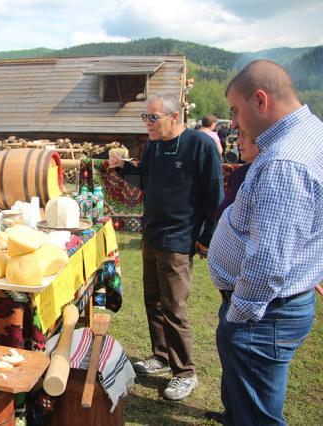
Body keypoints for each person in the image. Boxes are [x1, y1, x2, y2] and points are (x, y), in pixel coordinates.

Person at [208, 60, 323, 425]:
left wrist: (238, 317)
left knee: (256, 417)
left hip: (262, 314)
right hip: (274, 309)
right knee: (247, 406)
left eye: (236, 112)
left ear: (260, 101)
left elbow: (269, 261)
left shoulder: (284, 161)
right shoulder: (308, 135)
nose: (236, 124)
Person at [108, 93, 223, 401]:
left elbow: (215, 196)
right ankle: (161, 356)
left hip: (179, 239)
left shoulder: (201, 145)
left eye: (152, 117)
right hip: (152, 234)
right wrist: (122, 169)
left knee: (174, 307)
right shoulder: (155, 146)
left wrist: (205, 237)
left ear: (174, 117)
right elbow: (145, 178)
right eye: (144, 117)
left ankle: (185, 372)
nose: (147, 123)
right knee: (153, 300)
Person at [214, 130, 259, 220]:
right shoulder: (241, 173)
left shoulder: (243, 174)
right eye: (239, 135)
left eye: (244, 134)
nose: (238, 141)